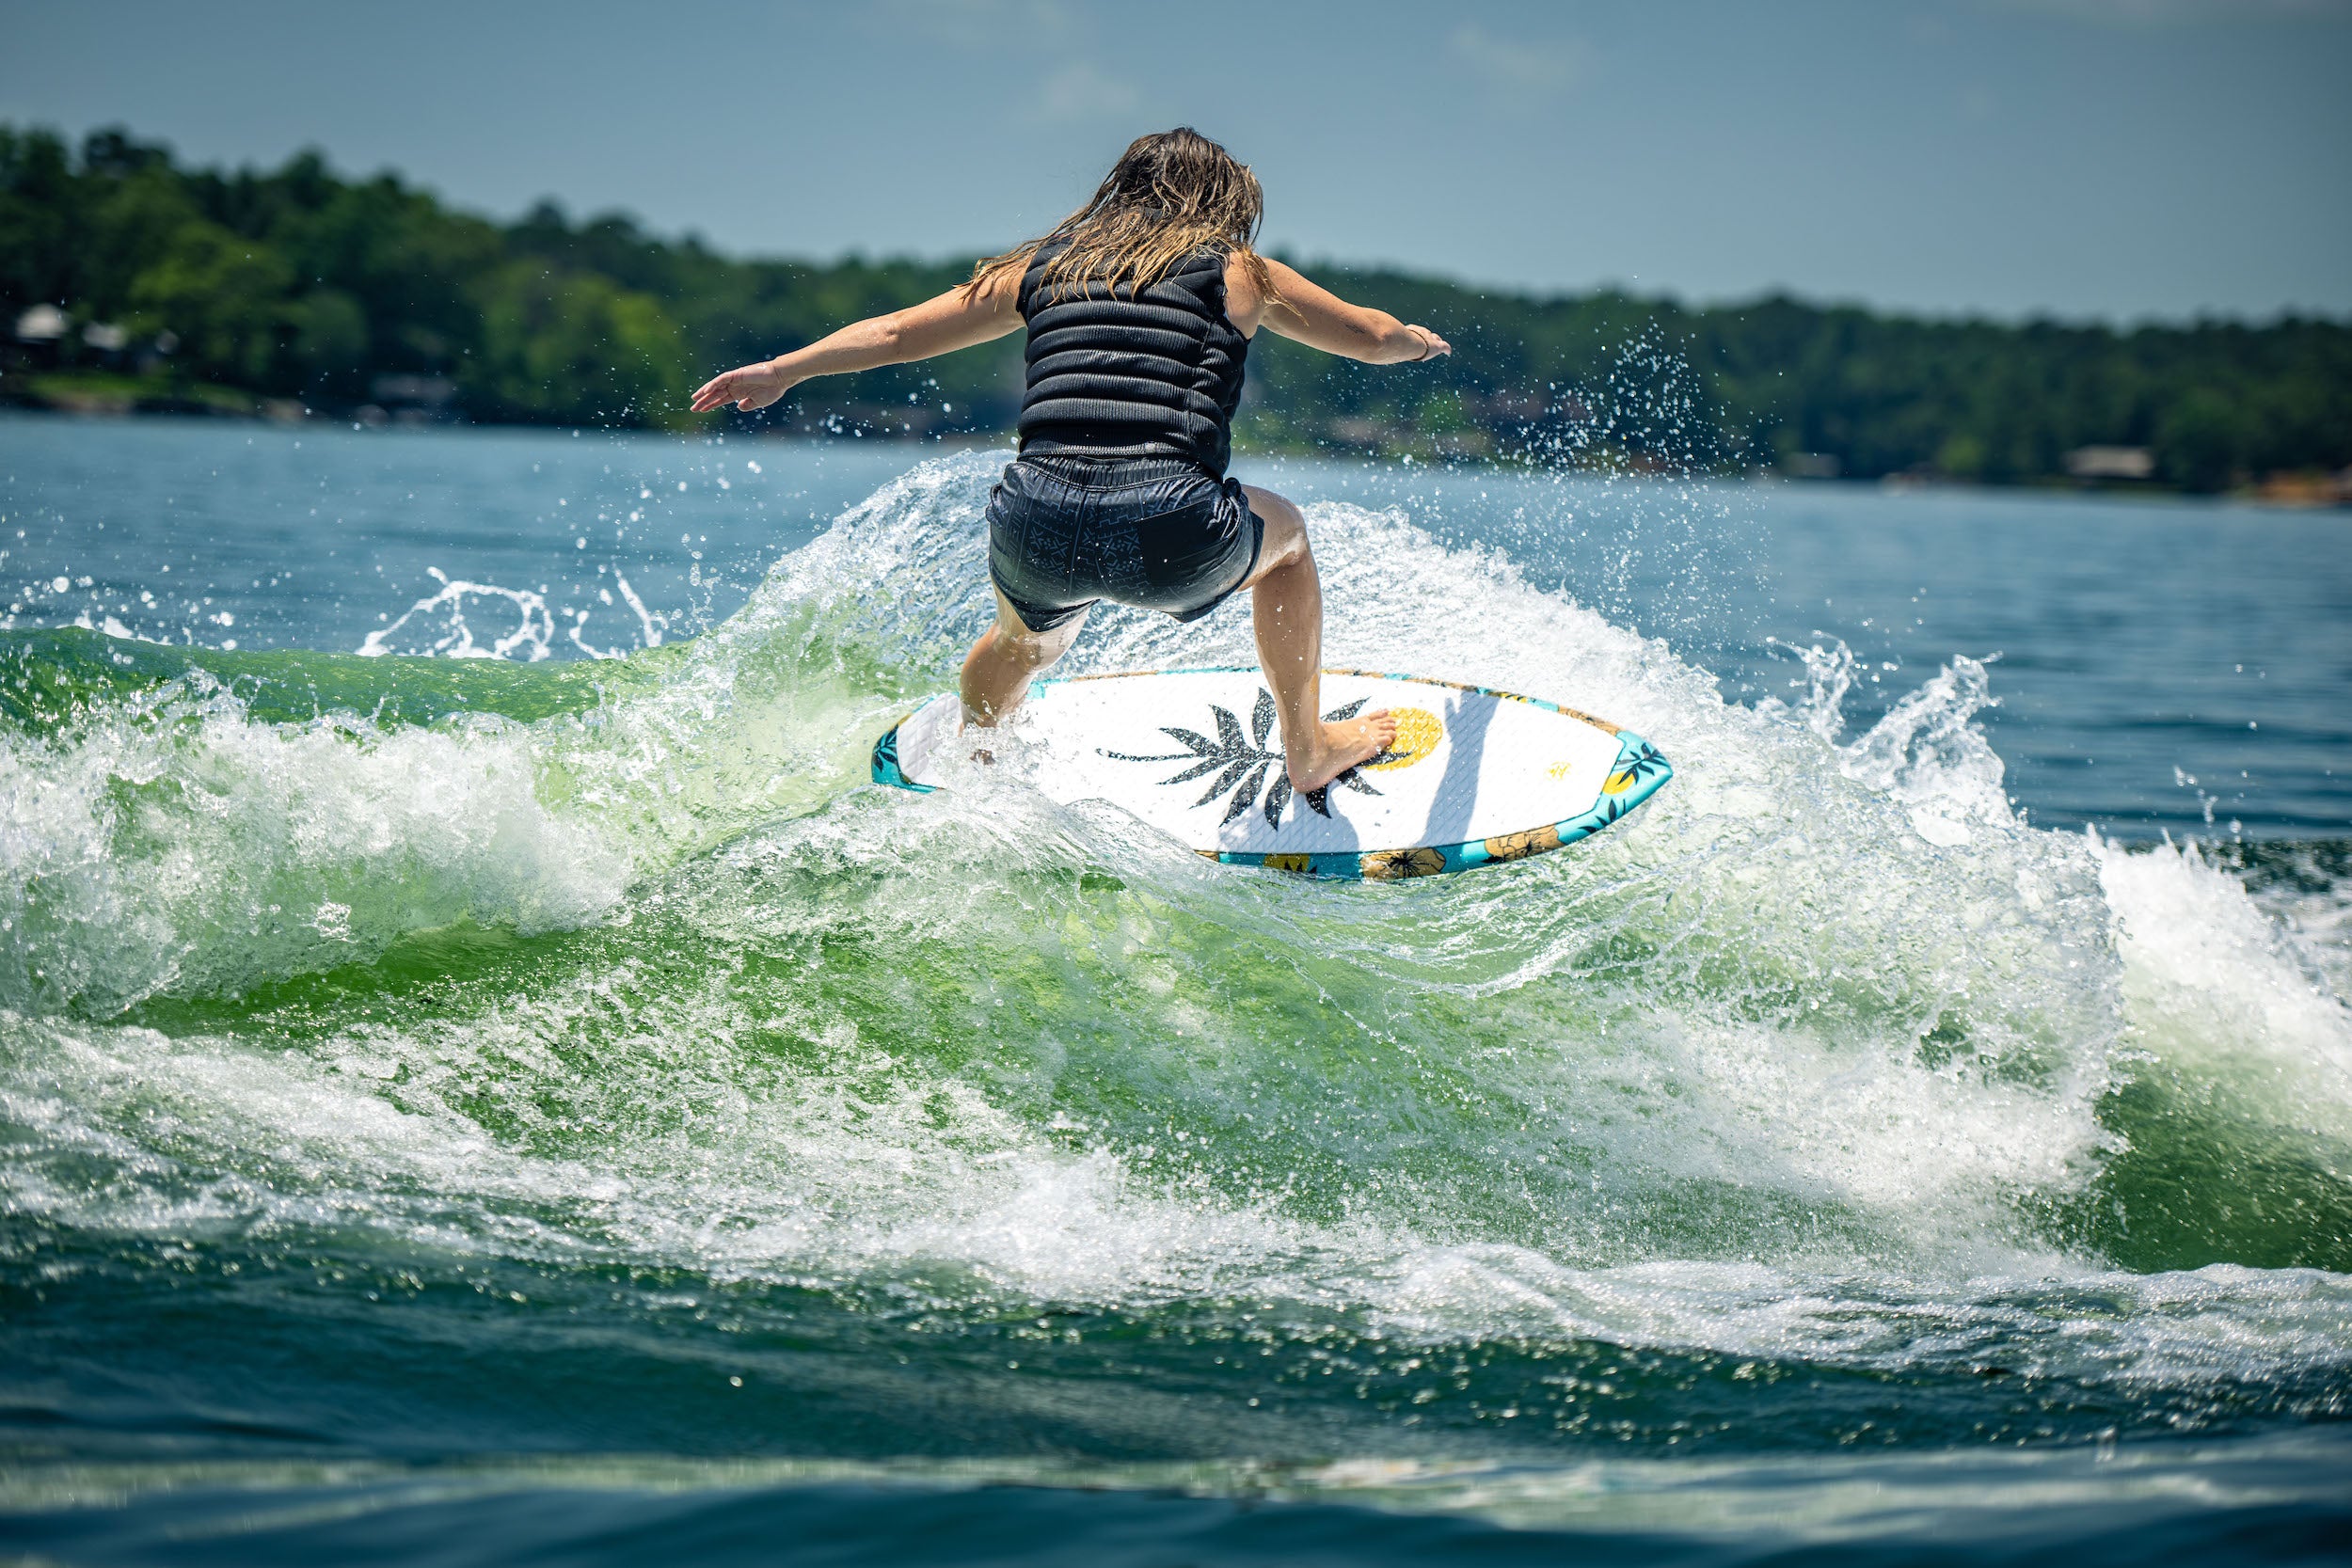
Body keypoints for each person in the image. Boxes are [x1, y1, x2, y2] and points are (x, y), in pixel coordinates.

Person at [690, 128, 1451, 793]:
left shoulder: (1039, 266)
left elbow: (892, 335)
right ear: (1220, 204)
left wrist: (783, 369)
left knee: (1020, 643)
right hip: (1172, 529)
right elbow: (1373, 337)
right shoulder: (1239, 270)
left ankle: (979, 779)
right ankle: (1309, 748)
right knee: (1287, 541)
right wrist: (1418, 340)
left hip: (1034, 525)